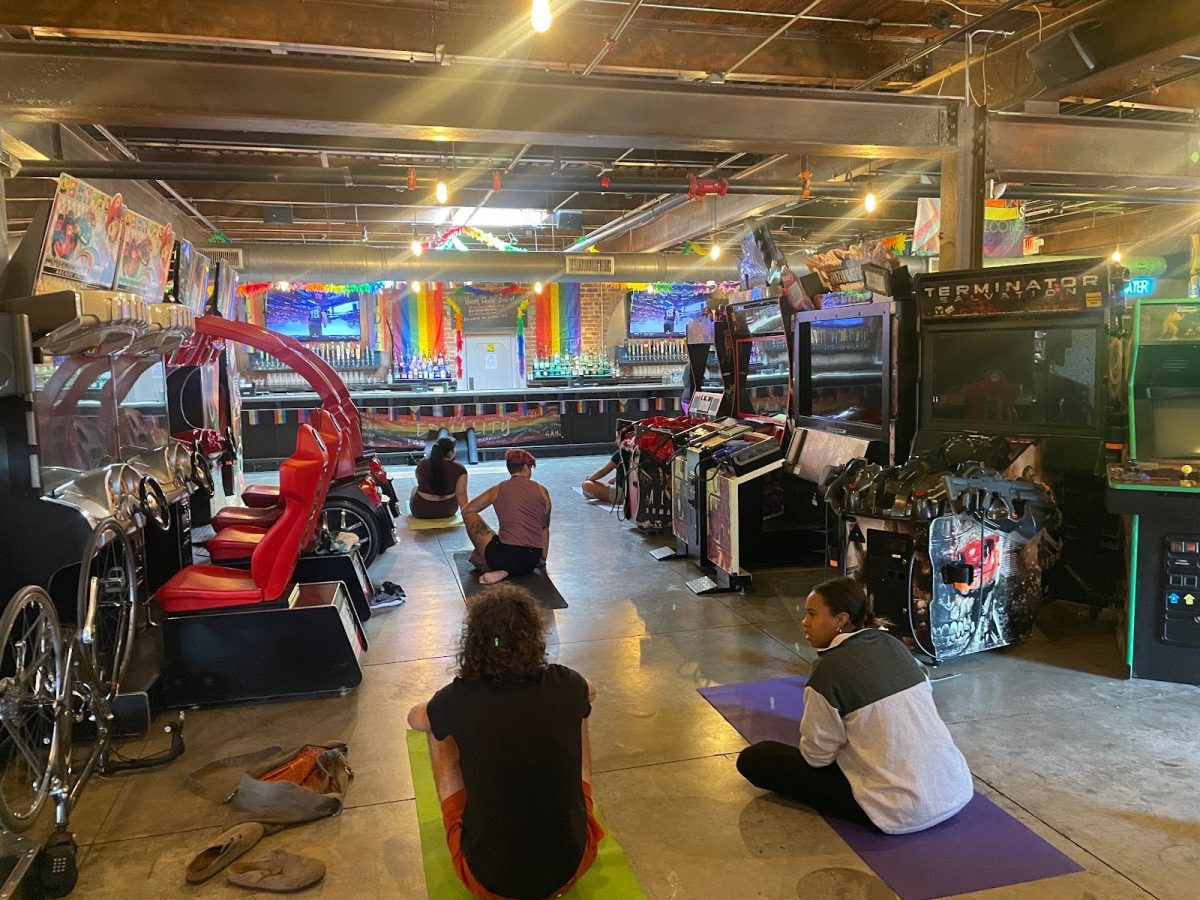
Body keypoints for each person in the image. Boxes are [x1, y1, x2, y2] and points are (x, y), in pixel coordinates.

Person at [407, 585, 603, 900]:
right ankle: (583, 800)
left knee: (437, 731)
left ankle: (455, 813)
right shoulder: (566, 683)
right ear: (535, 638)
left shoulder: (456, 699)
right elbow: (590, 690)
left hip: (490, 884)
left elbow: (414, 719)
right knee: (579, 710)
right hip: (573, 867)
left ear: (472, 644)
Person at [736, 576, 973, 835]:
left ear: (840, 620)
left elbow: (816, 757)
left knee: (756, 759)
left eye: (812, 614)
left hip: (896, 810)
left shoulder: (827, 673)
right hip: (955, 788)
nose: (804, 622)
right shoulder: (893, 645)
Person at [463, 449, 550, 585]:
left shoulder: (497, 489)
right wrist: (542, 559)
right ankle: (506, 570)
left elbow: (467, 510)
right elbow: (544, 527)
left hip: (501, 557)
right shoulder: (542, 491)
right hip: (529, 563)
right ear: (526, 468)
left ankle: (500, 569)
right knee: (480, 556)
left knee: (475, 556)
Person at [410, 436, 468, 519]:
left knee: (415, 488)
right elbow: (461, 493)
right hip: (448, 510)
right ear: (450, 453)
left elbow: (418, 479)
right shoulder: (460, 468)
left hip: (420, 510)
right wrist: (466, 513)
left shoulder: (422, 463)